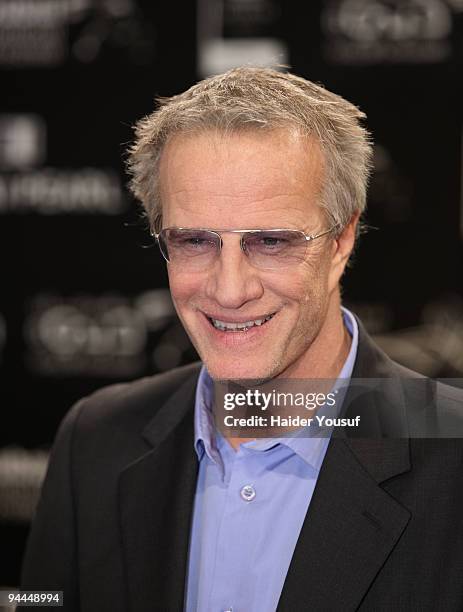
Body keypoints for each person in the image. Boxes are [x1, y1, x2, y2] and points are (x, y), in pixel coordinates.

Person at [21, 67, 463, 611]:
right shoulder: (96, 439)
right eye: (195, 241)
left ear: (343, 240)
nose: (229, 290)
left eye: (272, 241)